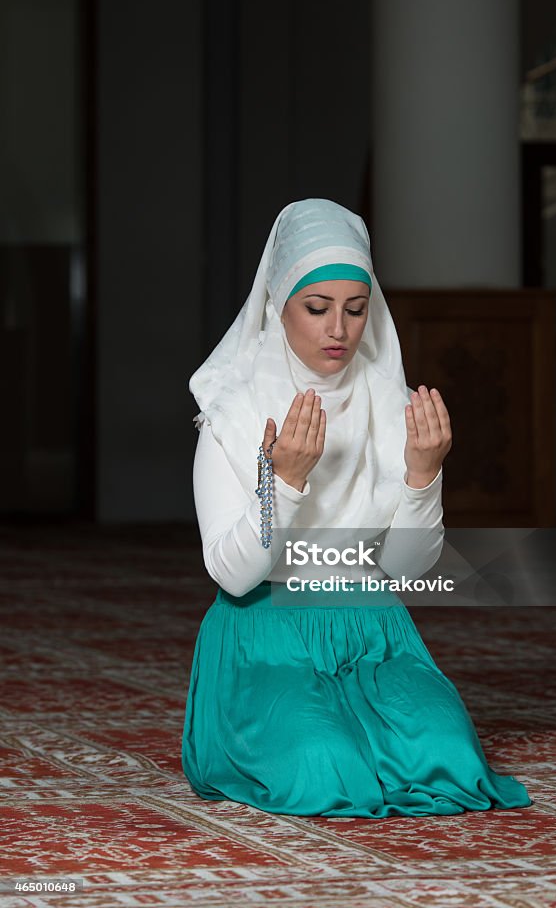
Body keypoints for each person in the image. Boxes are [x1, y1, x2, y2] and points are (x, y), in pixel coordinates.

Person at [181, 197, 533, 818]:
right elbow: (234, 575)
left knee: (449, 757)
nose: (339, 331)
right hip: (266, 634)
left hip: (373, 630)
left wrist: (424, 477)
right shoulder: (231, 411)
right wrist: (282, 484)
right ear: (277, 304)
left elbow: (406, 569)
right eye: (317, 309)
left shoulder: (385, 399)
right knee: (324, 767)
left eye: (355, 309)